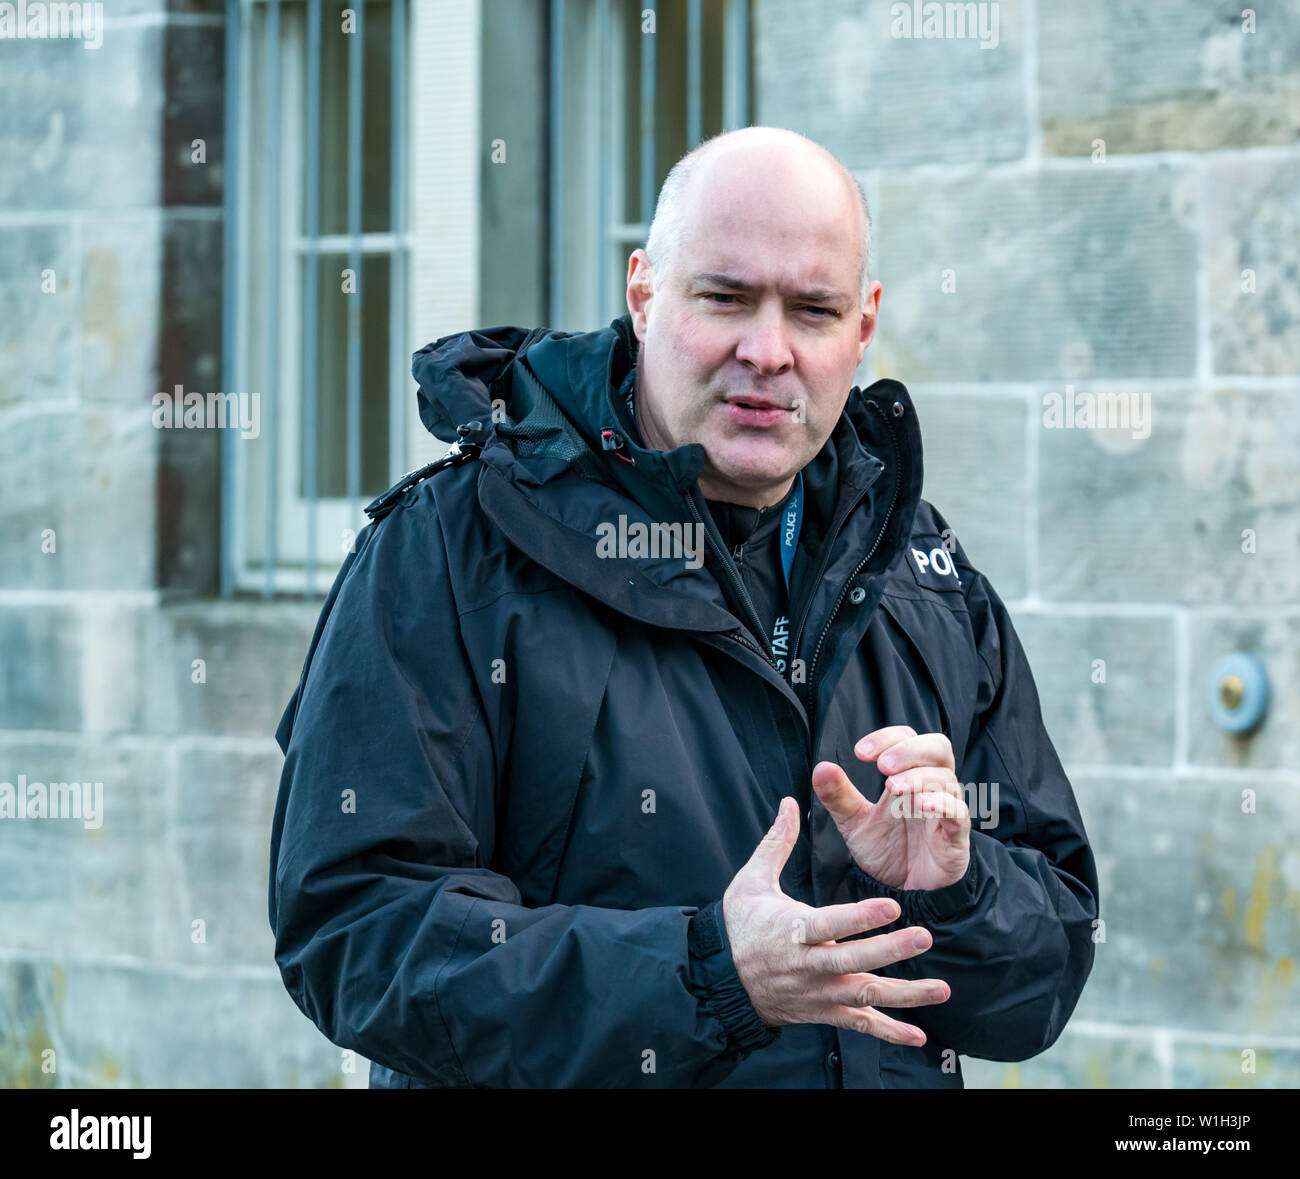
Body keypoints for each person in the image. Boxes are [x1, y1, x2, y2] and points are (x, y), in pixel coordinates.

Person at [268, 125, 1099, 1089]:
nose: (769, 350)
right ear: (645, 291)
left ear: (863, 326)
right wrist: (707, 974)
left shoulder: (924, 573)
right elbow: (355, 933)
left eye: (814, 310)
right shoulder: (450, 550)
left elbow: (1045, 979)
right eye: (727, 298)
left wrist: (954, 893)